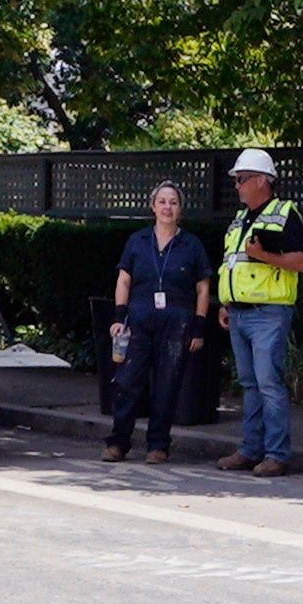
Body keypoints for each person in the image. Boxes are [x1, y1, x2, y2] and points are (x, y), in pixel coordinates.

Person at [216, 143, 303, 474]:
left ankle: (277, 454)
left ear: (261, 180)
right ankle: (251, 449)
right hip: (239, 312)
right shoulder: (241, 218)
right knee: (250, 384)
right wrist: (226, 303)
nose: (237, 185)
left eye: (241, 179)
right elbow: (232, 264)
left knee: (268, 383)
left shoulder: (285, 212)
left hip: (269, 312)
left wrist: (265, 256)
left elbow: (301, 261)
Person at [110, 179, 210, 461]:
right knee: (128, 382)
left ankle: (158, 445)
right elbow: (124, 280)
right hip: (139, 322)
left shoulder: (191, 244)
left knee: (167, 385)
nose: (168, 207)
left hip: (176, 325)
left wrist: (198, 327)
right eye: (162, 202)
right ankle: (118, 442)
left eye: (173, 202)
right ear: (153, 206)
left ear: (180, 210)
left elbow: (202, 288)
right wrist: (119, 317)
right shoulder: (137, 241)